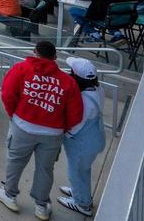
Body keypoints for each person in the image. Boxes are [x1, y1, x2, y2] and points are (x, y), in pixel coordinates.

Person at [0, 41, 83, 220]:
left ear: (35, 53)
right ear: (55, 59)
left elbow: (7, 94)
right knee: (45, 169)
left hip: (23, 126)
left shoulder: (21, 69)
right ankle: (41, 206)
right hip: (52, 133)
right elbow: (75, 114)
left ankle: (10, 195)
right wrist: (61, 128)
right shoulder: (68, 82)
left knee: (15, 161)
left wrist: (14, 115)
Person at [57, 58, 106, 216]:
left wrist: (66, 133)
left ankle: (82, 204)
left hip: (82, 143)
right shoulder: (98, 90)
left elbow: (76, 123)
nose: (69, 73)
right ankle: (81, 193)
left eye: (71, 72)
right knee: (83, 169)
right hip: (95, 138)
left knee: (76, 171)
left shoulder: (84, 100)